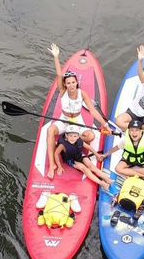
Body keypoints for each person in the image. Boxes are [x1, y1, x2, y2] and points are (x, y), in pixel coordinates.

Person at [46, 43, 109, 179]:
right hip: (64, 120)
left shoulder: (82, 94)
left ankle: (68, 140)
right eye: (68, 83)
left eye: (73, 82)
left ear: (76, 83)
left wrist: (105, 124)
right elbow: (59, 74)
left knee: (91, 136)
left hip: (77, 121)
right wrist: (56, 57)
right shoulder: (63, 91)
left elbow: (92, 111)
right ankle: (52, 164)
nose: (71, 85)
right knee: (50, 131)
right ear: (65, 84)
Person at [54, 125, 113, 191]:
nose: (72, 138)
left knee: (91, 166)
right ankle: (102, 183)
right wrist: (59, 166)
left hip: (79, 155)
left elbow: (88, 147)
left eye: (75, 136)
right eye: (70, 136)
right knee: (85, 169)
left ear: (78, 136)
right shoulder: (62, 145)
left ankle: (107, 179)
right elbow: (56, 154)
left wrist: (97, 155)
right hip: (71, 159)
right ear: (66, 136)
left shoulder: (79, 140)